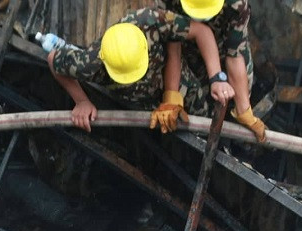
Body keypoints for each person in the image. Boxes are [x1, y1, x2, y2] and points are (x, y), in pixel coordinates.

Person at [48, 8, 235, 134]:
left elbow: (201, 32)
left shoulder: (149, 21)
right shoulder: (89, 62)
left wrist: (216, 78)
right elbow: (53, 58)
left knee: (201, 116)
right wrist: (82, 101)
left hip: (179, 84)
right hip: (138, 105)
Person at [161, 0, 267, 141]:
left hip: (224, 43)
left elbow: (233, 56)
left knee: (242, 90)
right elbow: (174, 50)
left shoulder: (237, 5)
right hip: (188, 44)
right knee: (190, 95)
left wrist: (244, 110)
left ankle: (235, 124)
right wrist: (171, 97)